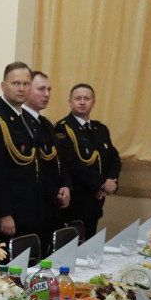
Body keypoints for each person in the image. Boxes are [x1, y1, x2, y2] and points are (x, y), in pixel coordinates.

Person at [0, 62, 45, 241]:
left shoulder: (26, 119)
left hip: (29, 208)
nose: (21, 89)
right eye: (16, 84)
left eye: (26, 84)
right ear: (3, 86)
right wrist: (4, 213)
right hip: (10, 213)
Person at [54, 83, 121, 239]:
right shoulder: (62, 129)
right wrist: (102, 183)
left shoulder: (101, 129)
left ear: (93, 102)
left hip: (96, 202)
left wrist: (109, 183)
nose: (82, 102)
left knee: (89, 250)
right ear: (70, 102)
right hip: (74, 204)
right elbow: (71, 164)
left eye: (86, 98)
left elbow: (114, 159)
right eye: (78, 98)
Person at [23, 71, 71, 245]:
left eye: (49, 89)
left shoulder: (45, 123)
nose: (47, 94)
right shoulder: (22, 123)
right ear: (27, 90)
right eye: (41, 89)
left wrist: (65, 185)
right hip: (33, 206)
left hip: (51, 204)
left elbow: (59, 160)